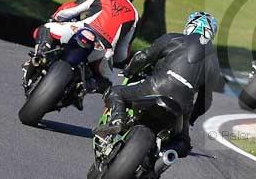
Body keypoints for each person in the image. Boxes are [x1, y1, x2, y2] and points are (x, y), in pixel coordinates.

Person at [93, 11, 222, 157]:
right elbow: (205, 101)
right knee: (184, 144)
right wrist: (190, 119)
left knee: (115, 92)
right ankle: (166, 157)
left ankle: (117, 121)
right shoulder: (214, 63)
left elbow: (143, 57)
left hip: (156, 86)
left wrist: (129, 71)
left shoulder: (173, 38)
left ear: (190, 26)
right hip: (182, 105)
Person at [27, 0, 141, 94]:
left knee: (47, 28)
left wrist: (55, 18)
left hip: (80, 30)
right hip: (103, 51)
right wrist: (115, 57)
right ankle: (86, 86)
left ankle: (42, 53)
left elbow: (69, 9)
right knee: (107, 83)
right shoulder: (135, 15)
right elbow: (123, 53)